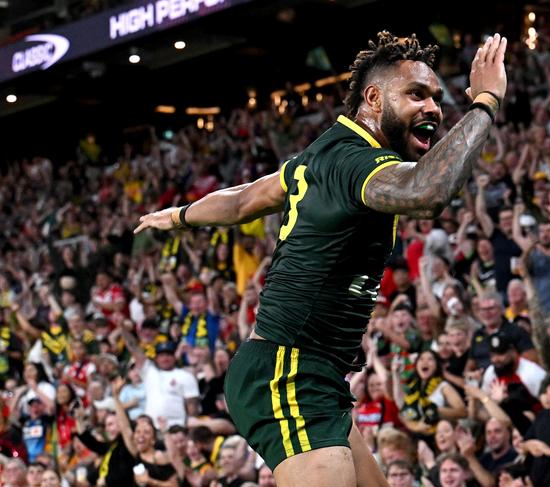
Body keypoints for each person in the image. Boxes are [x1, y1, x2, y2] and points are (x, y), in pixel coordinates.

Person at [135, 30, 508, 486]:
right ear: (373, 98)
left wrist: (179, 215)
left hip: (313, 376)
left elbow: (243, 201)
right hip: (288, 372)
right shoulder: (352, 162)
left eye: (435, 97)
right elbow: (426, 192)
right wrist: (486, 101)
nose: (432, 107)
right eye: (415, 94)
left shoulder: (319, 156)